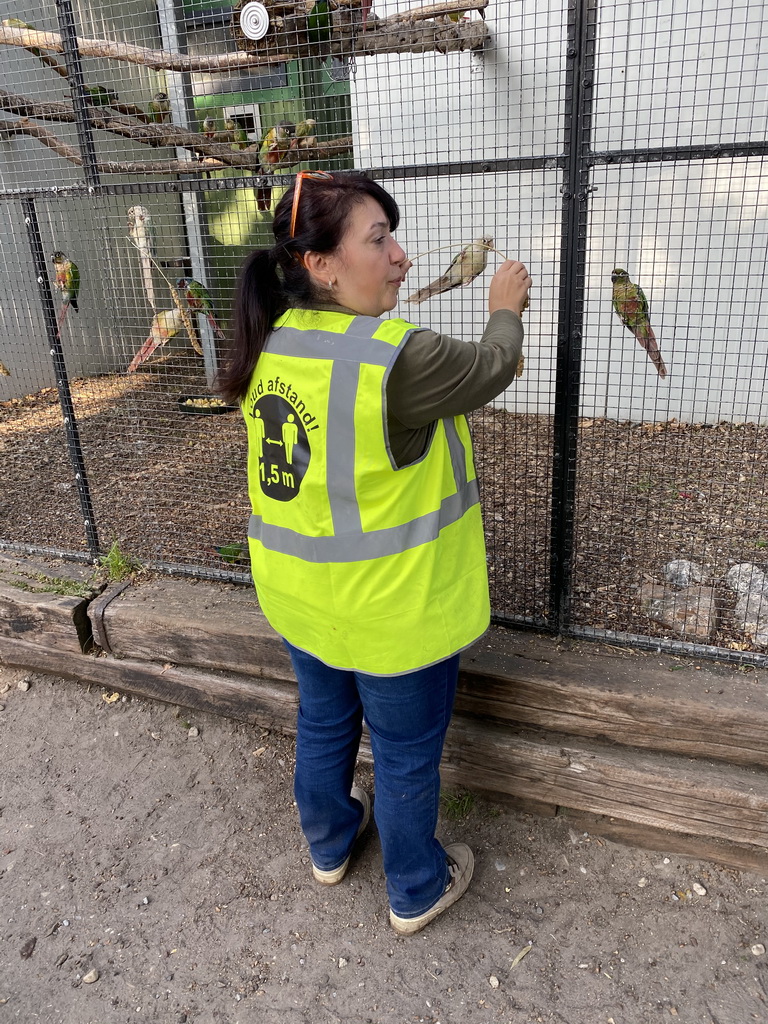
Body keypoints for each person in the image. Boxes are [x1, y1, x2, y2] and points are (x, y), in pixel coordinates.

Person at [217, 171, 531, 935]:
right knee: (404, 753)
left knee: (324, 724)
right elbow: (493, 368)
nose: (402, 256)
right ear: (321, 264)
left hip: (303, 602)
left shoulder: (274, 342)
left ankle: (330, 845)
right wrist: (504, 310)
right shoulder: (397, 358)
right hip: (394, 614)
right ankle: (415, 886)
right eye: (379, 238)